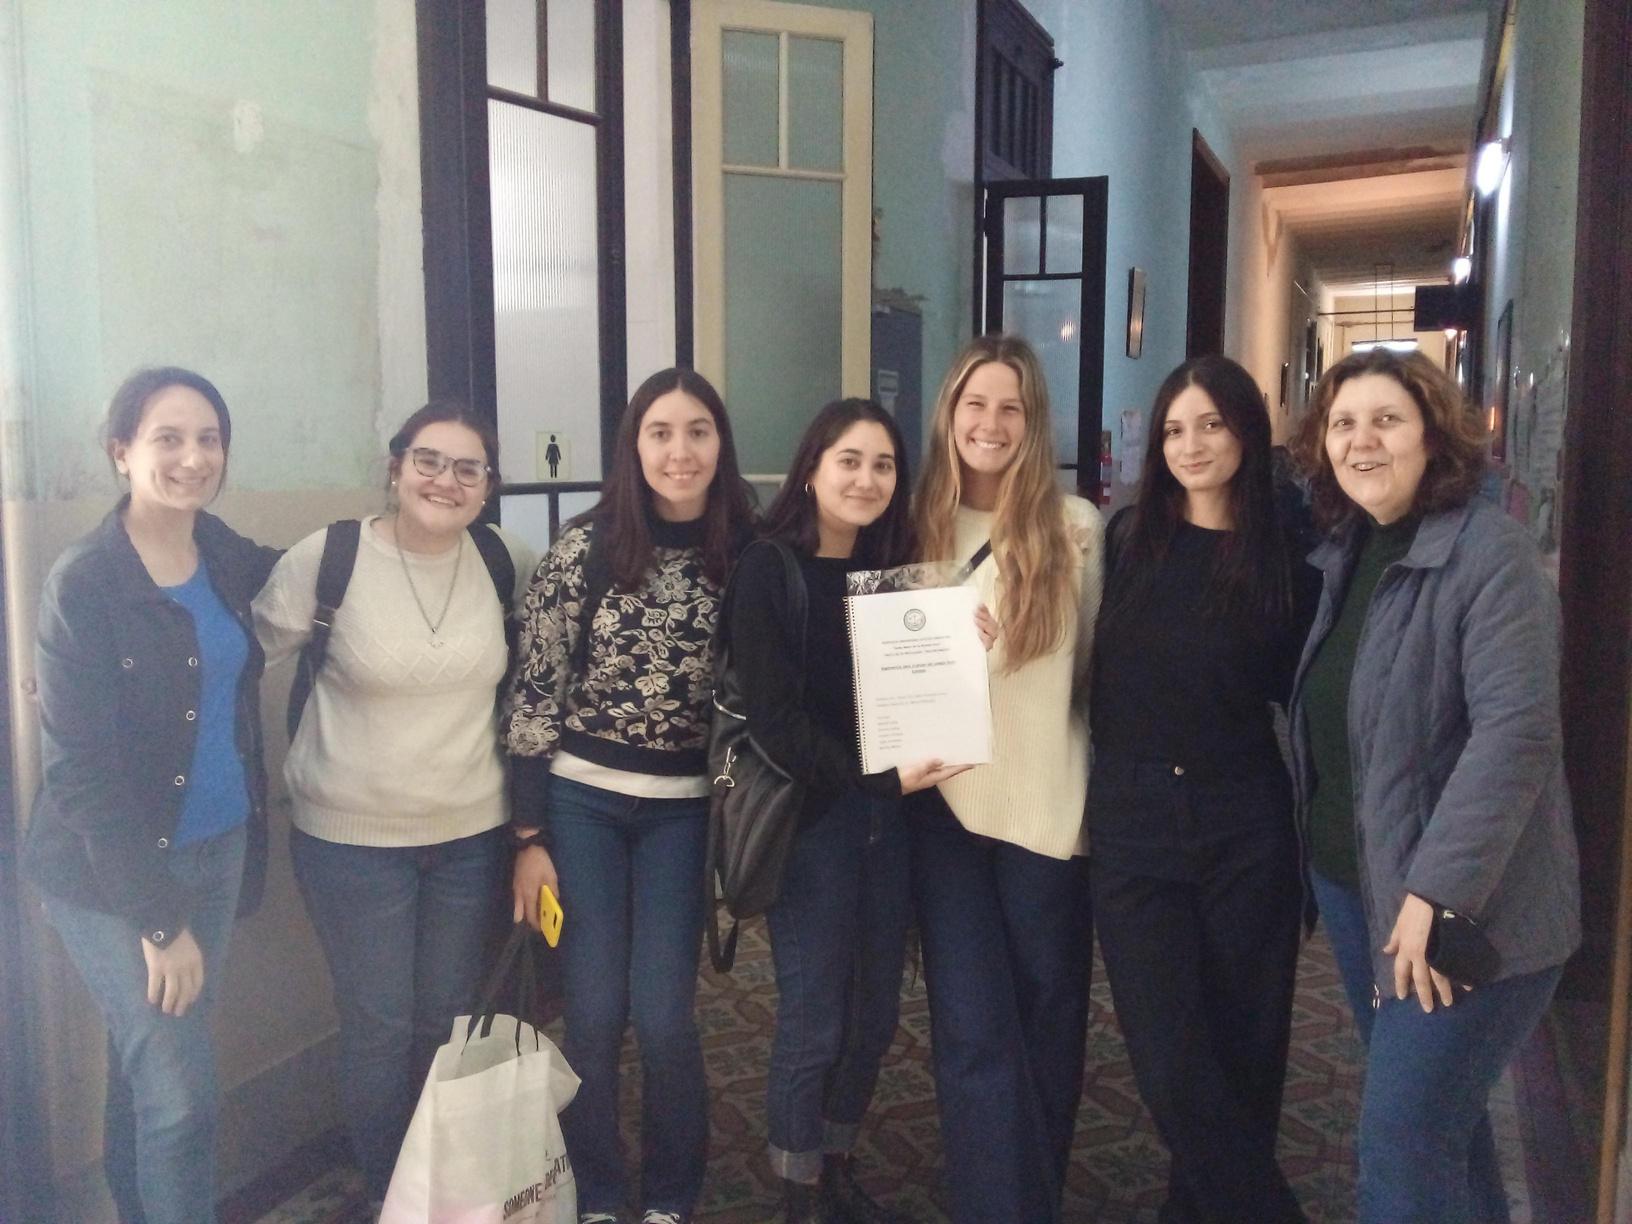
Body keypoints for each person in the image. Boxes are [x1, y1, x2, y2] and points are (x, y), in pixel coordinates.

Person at [1289, 348, 1581, 1223]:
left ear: (1433, 436)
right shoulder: (1351, 550)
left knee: (1401, 1150)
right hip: (1359, 894)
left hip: (1461, 913)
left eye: (1387, 420)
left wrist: (1437, 891)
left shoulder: (1491, 554)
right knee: (1446, 1134)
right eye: (1344, 423)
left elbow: (1517, 734)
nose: (1362, 441)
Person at [253, 403, 535, 1208]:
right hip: (351, 842)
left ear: (488, 485)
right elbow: (236, 661)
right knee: (377, 1027)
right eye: (428, 461)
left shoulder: (504, 560)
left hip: (470, 837)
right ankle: (391, 1197)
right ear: (396, 467)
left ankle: (440, 1188)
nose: (446, 480)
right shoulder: (330, 558)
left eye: (468, 468)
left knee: (447, 1021)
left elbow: (543, 677)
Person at [25, 367, 279, 1224]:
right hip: (114, 873)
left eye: (209, 439)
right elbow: (81, 775)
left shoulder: (222, 551)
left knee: (153, 1069)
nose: (193, 457)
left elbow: (307, 574)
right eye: (167, 438)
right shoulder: (86, 580)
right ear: (121, 452)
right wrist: (159, 922)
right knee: (181, 1097)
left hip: (218, 848)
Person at [504, 368, 756, 1224]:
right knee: (593, 1012)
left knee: (664, 1015)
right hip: (582, 808)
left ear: (720, 445)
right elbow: (536, 689)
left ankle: (673, 1194)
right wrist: (528, 832)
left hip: (684, 812)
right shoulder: (585, 548)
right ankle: (602, 1192)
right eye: (660, 432)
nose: (680, 451)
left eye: (698, 431)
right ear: (634, 445)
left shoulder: (748, 553)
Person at [725, 399, 985, 1224]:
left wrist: (966, 640)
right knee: (815, 1020)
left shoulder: (897, 573)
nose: (867, 479)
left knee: (875, 1017)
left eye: (883, 465)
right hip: (813, 825)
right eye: (850, 460)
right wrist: (872, 782)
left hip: (890, 820)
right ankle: (798, 1193)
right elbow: (775, 722)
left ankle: (836, 1166)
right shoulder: (768, 570)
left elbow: (918, 690)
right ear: (812, 469)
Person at [1089, 355, 1318, 1223]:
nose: (1190, 446)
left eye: (1211, 425)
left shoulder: (1291, 558)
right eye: (1175, 430)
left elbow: (1316, 697)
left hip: (1244, 820)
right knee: (1171, 1064)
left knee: (1244, 1058)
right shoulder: (1126, 542)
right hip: (1133, 822)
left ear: (1246, 432)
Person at [907, 334, 1102, 1223]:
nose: (990, 423)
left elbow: (1090, 674)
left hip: (1047, 808)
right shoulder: (911, 528)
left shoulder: (1075, 527)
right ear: (949, 413)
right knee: (974, 1033)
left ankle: (1033, 1201)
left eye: (1010, 408)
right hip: (942, 811)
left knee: (1048, 1025)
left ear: (1033, 422)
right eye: (974, 404)